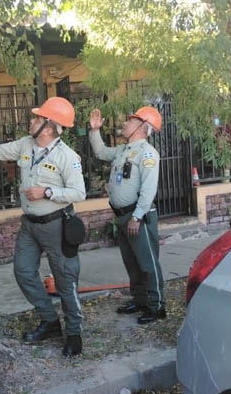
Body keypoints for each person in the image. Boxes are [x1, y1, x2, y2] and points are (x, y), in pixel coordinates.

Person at [0, 96, 87, 357]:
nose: (31, 120)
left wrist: (46, 192)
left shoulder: (68, 157)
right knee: (23, 272)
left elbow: (79, 192)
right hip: (30, 226)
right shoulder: (26, 145)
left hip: (56, 226)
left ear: (49, 126)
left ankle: (74, 332)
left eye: (36, 118)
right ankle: (50, 321)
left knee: (65, 281)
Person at [88, 106, 166, 324]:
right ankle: (140, 300)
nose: (124, 123)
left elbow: (149, 189)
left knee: (148, 263)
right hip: (122, 216)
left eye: (130, 121)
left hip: (137, 217)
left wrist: (137, 216)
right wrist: (95, 131)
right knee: (132, 263)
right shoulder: (124, 150)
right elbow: (101, 152)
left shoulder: (148, 154)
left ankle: (157, 305)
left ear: (142, 127)